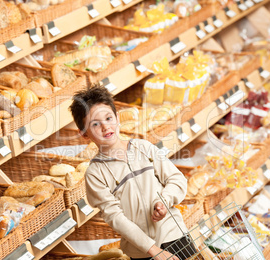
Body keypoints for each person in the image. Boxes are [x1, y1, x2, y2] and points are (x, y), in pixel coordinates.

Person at [69, 85, 197, 260]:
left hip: (174, 234)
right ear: (84, 133)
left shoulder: (143, 148)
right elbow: (116, 218)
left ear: (118, 118)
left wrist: (164, 200)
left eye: (108, 118)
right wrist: (153, 250)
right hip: (142, 251)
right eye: (95, 124)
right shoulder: (95, 173)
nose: (106, 127)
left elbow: (176, 179)